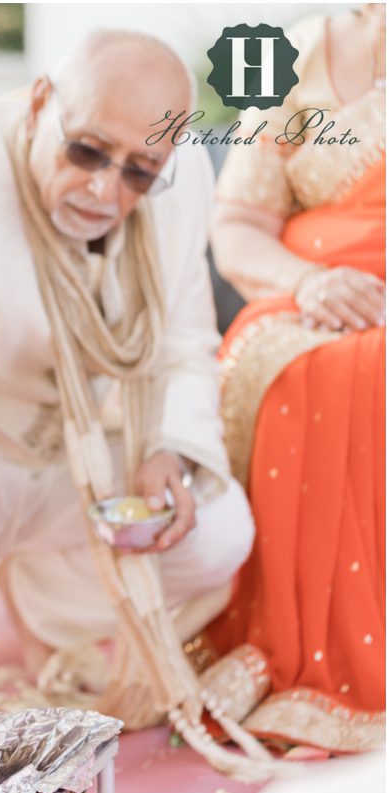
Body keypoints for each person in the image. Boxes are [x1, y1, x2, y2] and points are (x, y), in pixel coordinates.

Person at [0, 30, 254, 717]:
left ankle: (47, 611)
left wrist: (168, 451)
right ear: (39, 104)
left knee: (220, 531)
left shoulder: (183, 177)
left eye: (138, 172)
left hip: (78, 474)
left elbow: (183, 337)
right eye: (86, 150)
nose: (104, 189)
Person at [201, 7, 385, 755]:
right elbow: (236, 224)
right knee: (301, 369)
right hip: (310, 297)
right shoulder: (283, 57)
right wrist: (309, 283)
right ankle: (304, 650)